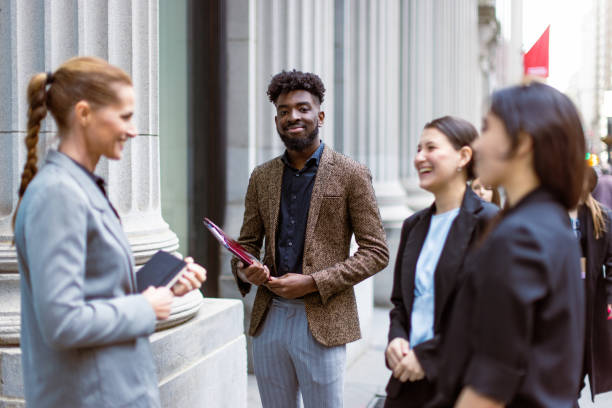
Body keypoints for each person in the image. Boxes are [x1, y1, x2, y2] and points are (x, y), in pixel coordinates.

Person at [12, 56, 206, 408]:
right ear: (84, 114)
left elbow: (93, 284)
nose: (133, 131)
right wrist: (145, 307)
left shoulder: (77, 185)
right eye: (125, 116)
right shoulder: (58, 194)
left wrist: (163, 286)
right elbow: (62, 321)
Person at [230, 69, 389, 408]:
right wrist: (247, 269)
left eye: (302, 108)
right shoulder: (262, 176)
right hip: (268, 318)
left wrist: (314, 282)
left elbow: (376, 251)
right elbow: (246, 244)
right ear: (276, 121)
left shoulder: (350, 173)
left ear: (320, 115)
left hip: (323, 319)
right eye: (284, 111)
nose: (293, 117)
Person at [429, 81, 586, 408]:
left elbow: (491, 384)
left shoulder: (521, 236)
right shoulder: (551, 221)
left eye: (486, 128)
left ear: (523, 143)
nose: (478, 143)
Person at [384, 116, 498, 407]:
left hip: (460, 385)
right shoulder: (414, 225)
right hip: (407, 382)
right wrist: (396, 339)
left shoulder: (490, 222)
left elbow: (489, 314)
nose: (419, 157)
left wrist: (427, 356)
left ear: (463, 156)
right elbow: (400, 303)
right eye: (418, 148)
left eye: (431, 148)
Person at [569, 165, 612, 401]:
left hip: (587, 303)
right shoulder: (551, 213)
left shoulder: (600, 216)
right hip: (557, 301)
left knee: (582, 364)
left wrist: (609, 297)